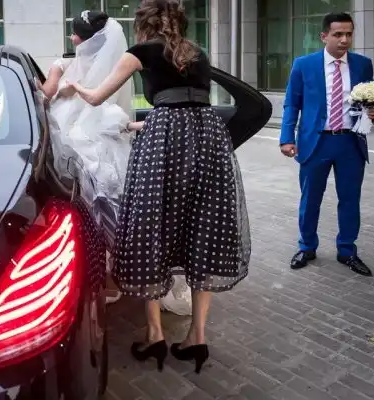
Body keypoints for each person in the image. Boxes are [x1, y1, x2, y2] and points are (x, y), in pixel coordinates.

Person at [69, 0, 250, 373]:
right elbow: (187, 104)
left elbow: (96, 97)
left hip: (163, 144)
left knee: (149, 225)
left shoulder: (141, 52)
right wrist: (139, 124)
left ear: (143, 24)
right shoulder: (197, 53)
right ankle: (197, 336)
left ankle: (155, 335)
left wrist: (74, 83)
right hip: (207, 138)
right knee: (204, 228)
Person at [40, 10, 138, 305]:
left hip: (71, 140)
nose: (71, 37)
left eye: (74, 33)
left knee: (84, 206)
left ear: (84, 38)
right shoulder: (112, 66)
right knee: (110, 204)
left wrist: (39, 86)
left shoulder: (62, 64)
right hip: (102, 140)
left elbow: (45, 94)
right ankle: (116, 273)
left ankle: (87, 272)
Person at [280, 12, 374, 276]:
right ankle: (306, 247)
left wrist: (372, 112)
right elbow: (292, 103)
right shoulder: (304, 65)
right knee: (310, 199)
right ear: (324, 36)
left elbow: (367, 102)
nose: (344, 39)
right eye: (338, 34)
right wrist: (286, 138)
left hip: (350, 143)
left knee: (350, 200)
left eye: (349, 34)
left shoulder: (362, 65)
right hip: (316, 142)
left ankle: (347, 251)